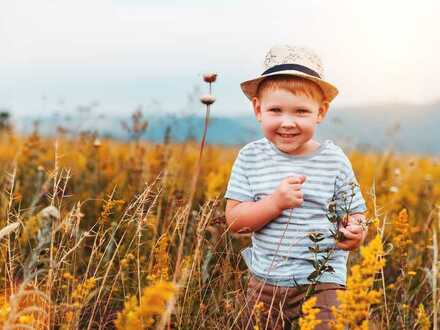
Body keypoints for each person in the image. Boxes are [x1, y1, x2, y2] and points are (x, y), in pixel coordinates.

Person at [224, 45, 368, 329]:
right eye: (275, 110)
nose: (287, 122)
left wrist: (355, 231)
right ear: (257, 109)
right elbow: (235, 222)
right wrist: (274, 203)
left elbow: (356, 213)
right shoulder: (250, 157)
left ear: (320, 112)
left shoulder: (333, 159)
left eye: (301, 111)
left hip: (323, 280)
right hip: (266, 283)